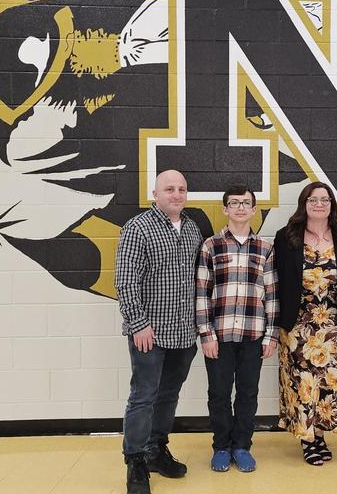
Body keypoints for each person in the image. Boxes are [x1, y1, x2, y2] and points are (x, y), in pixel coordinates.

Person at [115, 170, 203, 494]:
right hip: (149, 334)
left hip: (183, 333)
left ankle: (156, 449)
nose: (176, 194)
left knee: (169, 395)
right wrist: (138, 324)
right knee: (143, 396)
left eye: (181, 189)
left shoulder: (192, 229)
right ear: (155, 193)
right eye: (169, 189)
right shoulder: (137, 228)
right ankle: (135, 461)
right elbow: (125, 281)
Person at [273, 181, 337, 465]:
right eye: (313, 199)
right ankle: (308, 439)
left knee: (330, 383)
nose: (319, 204)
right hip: (298, 325)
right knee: (304, 383)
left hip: (335, 326)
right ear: (304, 204)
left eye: (325, 199)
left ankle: (321, 434)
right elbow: (276, 279)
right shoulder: (286, 236)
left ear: (331, 205)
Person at [195, 184, 279, 473]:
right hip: (219, 336)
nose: (240, 207)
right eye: (234, 203)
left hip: (253, 335)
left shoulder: (265, 248)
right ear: (225, 209)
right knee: (219, 393)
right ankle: (221, 446)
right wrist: (206, 334)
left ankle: (242, 446)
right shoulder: (211, 246)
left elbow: (272, 295)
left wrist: (271, 335)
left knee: (248, 393)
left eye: (246, 203)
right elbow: (201, 293)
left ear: (254, 210)